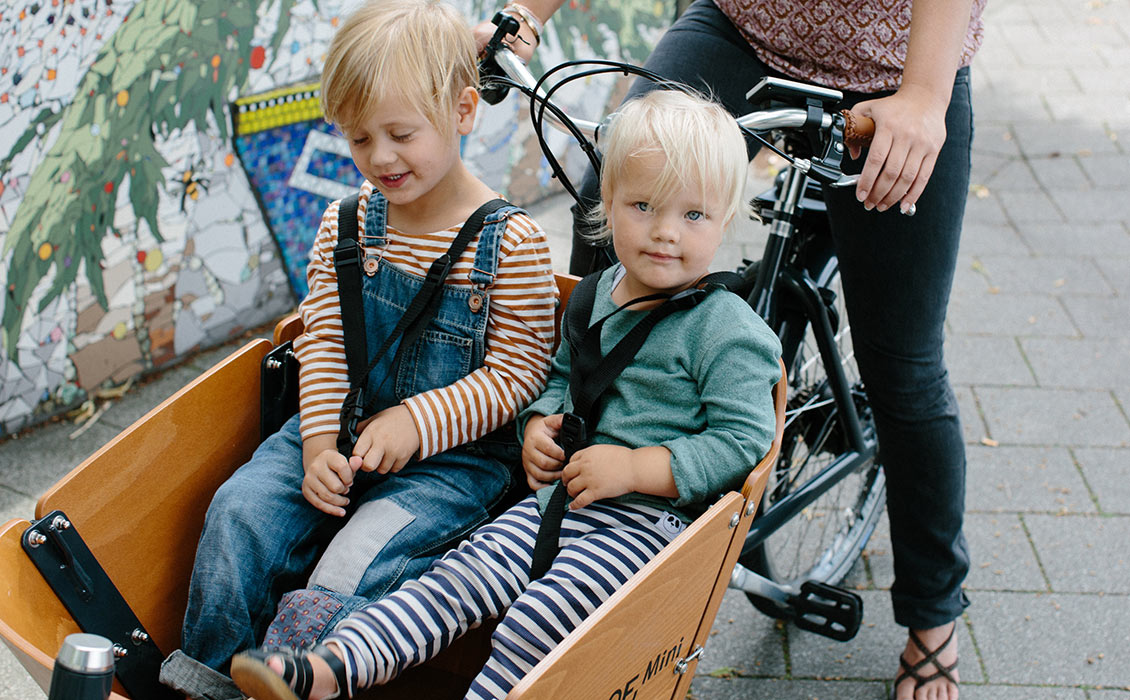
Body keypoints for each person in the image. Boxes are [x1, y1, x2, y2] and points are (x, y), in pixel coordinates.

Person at [476, 1, 979, 698]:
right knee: (610, 208)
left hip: (894, 67)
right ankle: (598, 459)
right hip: (747, 26)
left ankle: (934, 618)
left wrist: (924, 96)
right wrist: (525, 12)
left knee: (904, 363)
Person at [225, 87, 783, 700]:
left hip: (648, 524)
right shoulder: (598, 295)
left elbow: (744, 441)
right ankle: (329, 667)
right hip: (557, 503)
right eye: (643, 206)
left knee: (537, 620)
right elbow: (562, 378)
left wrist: (636, 467)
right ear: (609, 206)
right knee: (452, 581)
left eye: (693, 216)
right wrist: (539, 426)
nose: (664, 233)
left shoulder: (729, 331)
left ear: (726, 220)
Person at [159, 1, 558, 697]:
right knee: (239, 512)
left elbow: (518, 375)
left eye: (401, 133)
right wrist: (316, 445)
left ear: (464, 111)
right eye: (359, 138)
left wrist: (417, 423)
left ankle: (291, 679)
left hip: (448, 466)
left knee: (353, 567)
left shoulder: (512, 243)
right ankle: (206, 681)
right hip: (337, 430)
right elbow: (325, 347)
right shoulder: (346, 222)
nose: (380, 157)